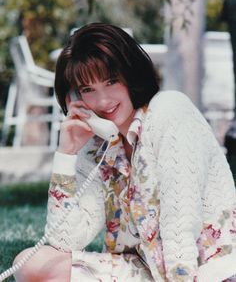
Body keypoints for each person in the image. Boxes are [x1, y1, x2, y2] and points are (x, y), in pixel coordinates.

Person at [13, 23, 236, 282]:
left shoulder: (170, 110)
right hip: (147, 269)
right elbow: (66, 240)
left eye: (111, 81)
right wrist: (67, 153)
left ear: (130, 75)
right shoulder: (98, 143)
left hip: (209, 267)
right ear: (74, 96)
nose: (103, 100)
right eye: (87, 90)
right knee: (30, 264)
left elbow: (180, 224)